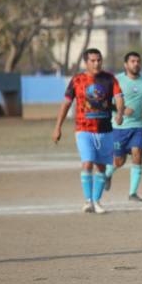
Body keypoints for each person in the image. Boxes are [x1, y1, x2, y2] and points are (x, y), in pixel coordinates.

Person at [52, 48, 123, 214]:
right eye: (93, 60)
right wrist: (57, 127)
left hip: (105, 130)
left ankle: (97, 201)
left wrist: (119, 114)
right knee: (87, 162)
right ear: (86, 62)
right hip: (83, 129)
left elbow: (119, 99)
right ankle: (88, 201)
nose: (96, 63)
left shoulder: (109, 79)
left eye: (99, 60)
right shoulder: (77, 80)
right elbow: (66, 104)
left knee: (102, 168)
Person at [104, 52, 142, 201]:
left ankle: (132, 193)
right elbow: (106, 103)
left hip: (137, 126)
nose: (136, 64)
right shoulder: (116, 80)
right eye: (133, 61)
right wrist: (121, 110)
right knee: (119, 162)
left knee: (137, 154)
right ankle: (107, 174)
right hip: (119, 128)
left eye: (138, 61)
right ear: (126, 64)